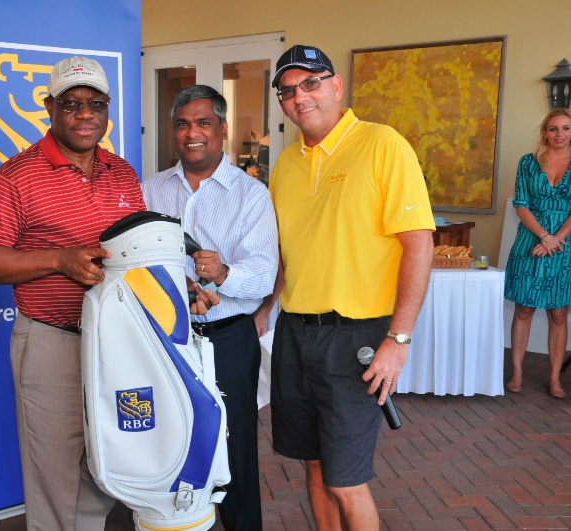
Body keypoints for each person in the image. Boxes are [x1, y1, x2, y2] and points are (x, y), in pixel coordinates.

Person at [0, 56, 148, 531]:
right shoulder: (15, 177)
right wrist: (59, 259)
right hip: (52, 340)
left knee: (106, 457)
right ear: (49, 108)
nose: (85, 114)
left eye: (96, 104)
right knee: (53, 470)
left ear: (107, 109)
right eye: (71, 103)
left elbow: (137, 251)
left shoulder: (123, 173)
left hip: (117, 341)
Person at [255, 45, 435, 530]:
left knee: (346, 480)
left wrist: (398, 340)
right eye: (287, 91)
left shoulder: (382, 144)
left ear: (336, 86)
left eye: (310, 83)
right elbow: (287, 253)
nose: (300, 97)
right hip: (295, 333)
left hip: (357, 337)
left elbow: (419, 244)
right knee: (314, 465)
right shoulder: (285, 164)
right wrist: (265, 310)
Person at [142, 84, 278, 531]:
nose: (192, 133)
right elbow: (136, 263)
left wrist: (222, 274)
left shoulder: (251, 194)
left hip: (229, 339)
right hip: (165, 338)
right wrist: (179, 287)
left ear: (222, 128)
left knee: (235, 446)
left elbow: (263, 274)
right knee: (168, 438)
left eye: (203, 123)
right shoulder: (151, 190)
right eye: (182, 124)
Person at [504, 108, 571, 399]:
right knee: (523, 309)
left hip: (565, 247)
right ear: (544, 132)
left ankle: (554, 379)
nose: (560, 134)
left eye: (566, 128)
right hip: (529, 243)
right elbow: (520, 204)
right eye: (553, 128)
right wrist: (544, 236)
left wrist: (555, 239)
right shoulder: (528, 163)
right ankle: (517, 372)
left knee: (558, 313)